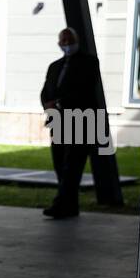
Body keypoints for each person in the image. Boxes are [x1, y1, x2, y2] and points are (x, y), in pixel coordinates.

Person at [39, 27, 104, 219]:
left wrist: (59, 103)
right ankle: (70, 206)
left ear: (77, 41)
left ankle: (60, 205)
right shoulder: (54, 66)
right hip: (58, 122)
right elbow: (46, 90)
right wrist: (47, 104)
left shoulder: (89, 62)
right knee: (60, 165)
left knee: (72, 166)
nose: (67, 45)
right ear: (59, 44)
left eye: (70, 40)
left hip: (80, 122)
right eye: (63, 42)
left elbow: (84, 90)